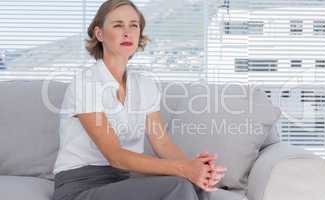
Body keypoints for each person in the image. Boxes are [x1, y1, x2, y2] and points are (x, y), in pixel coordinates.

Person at [52, 1, 226, 200]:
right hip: (80, 186)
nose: (127, 32)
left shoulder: (144, 84)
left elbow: (162, 144)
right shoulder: (86, 83)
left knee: (195, 186)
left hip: (123, 182)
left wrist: (197, 170)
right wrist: (183, 169)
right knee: (178, 186)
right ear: (99, 34)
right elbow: (115, 156)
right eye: (118, 25)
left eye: (133, 25)